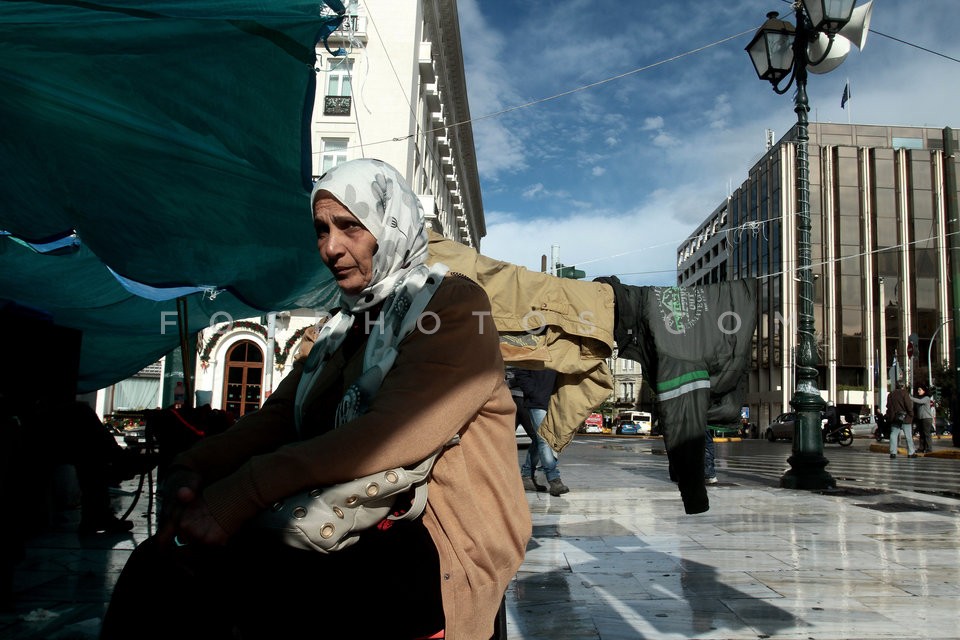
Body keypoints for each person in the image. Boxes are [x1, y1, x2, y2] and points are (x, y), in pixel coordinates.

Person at [100, 159, 531, 640]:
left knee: (256, 582)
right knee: (159, 567)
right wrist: (195, 464)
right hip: (339, 514)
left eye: (350, 227)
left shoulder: (453, 307)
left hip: (436, 535)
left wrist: (241, 493)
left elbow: (390, 434)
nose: (331, 248)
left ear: (391, 226)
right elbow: (281, 416)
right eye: (321, 229)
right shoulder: (337, 327)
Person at [512, 367, 569, 496]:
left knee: (539, 441)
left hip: (553, 402)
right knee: (544, 439)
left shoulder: (556, 351)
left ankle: (527, 475)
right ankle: (554, 479)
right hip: (536, 402)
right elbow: (521, 372)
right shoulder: (533, 350)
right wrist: (534, 393)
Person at [885, 382, 917, 459]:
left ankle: (893, 452)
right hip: (905, 418)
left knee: (893, 434)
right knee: (908, 436)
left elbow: (888, 406)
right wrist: (911, 414)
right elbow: (908, 405)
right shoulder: (904, 394)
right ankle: (911, 452)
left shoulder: (891, 394)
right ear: (902, 386)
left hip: (895, 418)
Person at [911, 384, 935, 453]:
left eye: (920, 390)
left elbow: (920, 401)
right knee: (921, 434)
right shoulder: (919, 398)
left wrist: (911, 398)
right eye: (918, 390)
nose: (918, 391)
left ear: (924, 391)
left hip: (926, 418)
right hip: (920, 418)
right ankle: (921, 448)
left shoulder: (926, 398)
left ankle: (929, 448)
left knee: (927, 434)